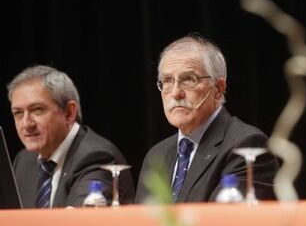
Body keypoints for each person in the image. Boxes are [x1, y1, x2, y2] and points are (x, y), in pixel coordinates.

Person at [135, 34, 279, 203]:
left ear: (218, 89)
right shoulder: (157, 154)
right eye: (167, 81)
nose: (175, 93)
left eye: (189, 79)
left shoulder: (246, 145)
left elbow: (224, 223)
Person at [8, 65, 135, 208]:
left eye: (37, 110)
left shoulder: (96, 158)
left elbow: (76, 225)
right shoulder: (25, 160)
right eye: (18, 113)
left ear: (69, 113)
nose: (26, 124)